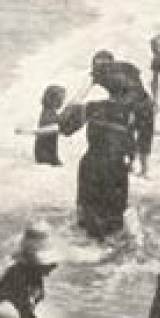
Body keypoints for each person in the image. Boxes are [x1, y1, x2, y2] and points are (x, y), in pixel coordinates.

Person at [59, 53, 138, 238]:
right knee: (113, 224)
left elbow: (64, 127)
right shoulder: (131, 111)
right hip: (117, 168)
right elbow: (132, 142)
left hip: (92, 166)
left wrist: (79, 95)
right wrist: (133, 161)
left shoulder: (92, 108)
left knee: (88, 224)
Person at [0, 224, 84, 318]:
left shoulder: (30, 274)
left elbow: (27, 317)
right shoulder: (22, 282)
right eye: (51, 261)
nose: (55, 265)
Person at [24, 86, 65, 166]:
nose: (62, 102)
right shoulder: (48, 114)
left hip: (44, 152)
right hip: (45, 154)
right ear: (54, 100)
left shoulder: (47, 112)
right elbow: (54, 126)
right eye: (61, 100)